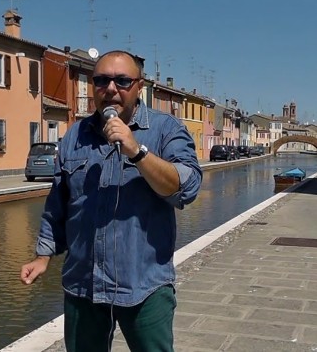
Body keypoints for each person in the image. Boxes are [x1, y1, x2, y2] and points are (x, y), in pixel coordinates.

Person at [20, 50, 202, 352]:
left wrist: (137, 151)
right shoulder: (75, 135)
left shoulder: (166, 129)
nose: (111, 88)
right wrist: (43, 255)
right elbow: (59, 204)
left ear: (139, 86)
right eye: (102, 80)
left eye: (122, 80)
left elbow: (187, 187)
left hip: (144, 284)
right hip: (83, 285)